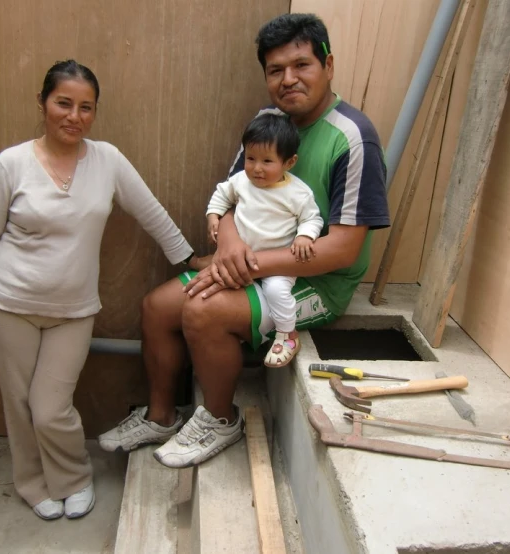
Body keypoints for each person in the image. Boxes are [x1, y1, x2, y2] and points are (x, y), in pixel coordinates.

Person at [98, 13, 390, 469]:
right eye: (276, 70)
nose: (288, 80)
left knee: (203, 311)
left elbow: (343, 249)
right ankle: (160, 417)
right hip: (250, 260)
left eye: (301, 65)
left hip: (315, 281)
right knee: (157, 307)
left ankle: (219, 419)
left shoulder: (353, 139)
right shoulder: (269, 121)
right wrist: (230, 244)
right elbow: (234, 195)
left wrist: (246, 264)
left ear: (328, 65)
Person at [0, 60, 202, 520]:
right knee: (18, 405)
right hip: (7, 304)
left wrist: (189, 258)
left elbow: (150, 212)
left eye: (85, 107)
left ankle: (72, 477)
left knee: (50, 408)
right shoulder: (11, 164)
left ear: (94, 112)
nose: (74, 115)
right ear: (43, 103)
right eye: (63, 103)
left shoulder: (107, 160)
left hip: (73, 311)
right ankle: (32, 484)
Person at [205, 113, 323, 368]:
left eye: (267, 161)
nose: (256, 168)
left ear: (289, 162)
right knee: (223, 286)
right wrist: (213, 216)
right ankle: (236, 334)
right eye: (250, 158)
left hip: (277, 265)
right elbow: (221, 195)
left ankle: (287, 334)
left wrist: (305, 235)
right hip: (242, 260)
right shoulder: (241, 182)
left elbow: (313, 219)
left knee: (276, 291)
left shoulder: (298, 193)